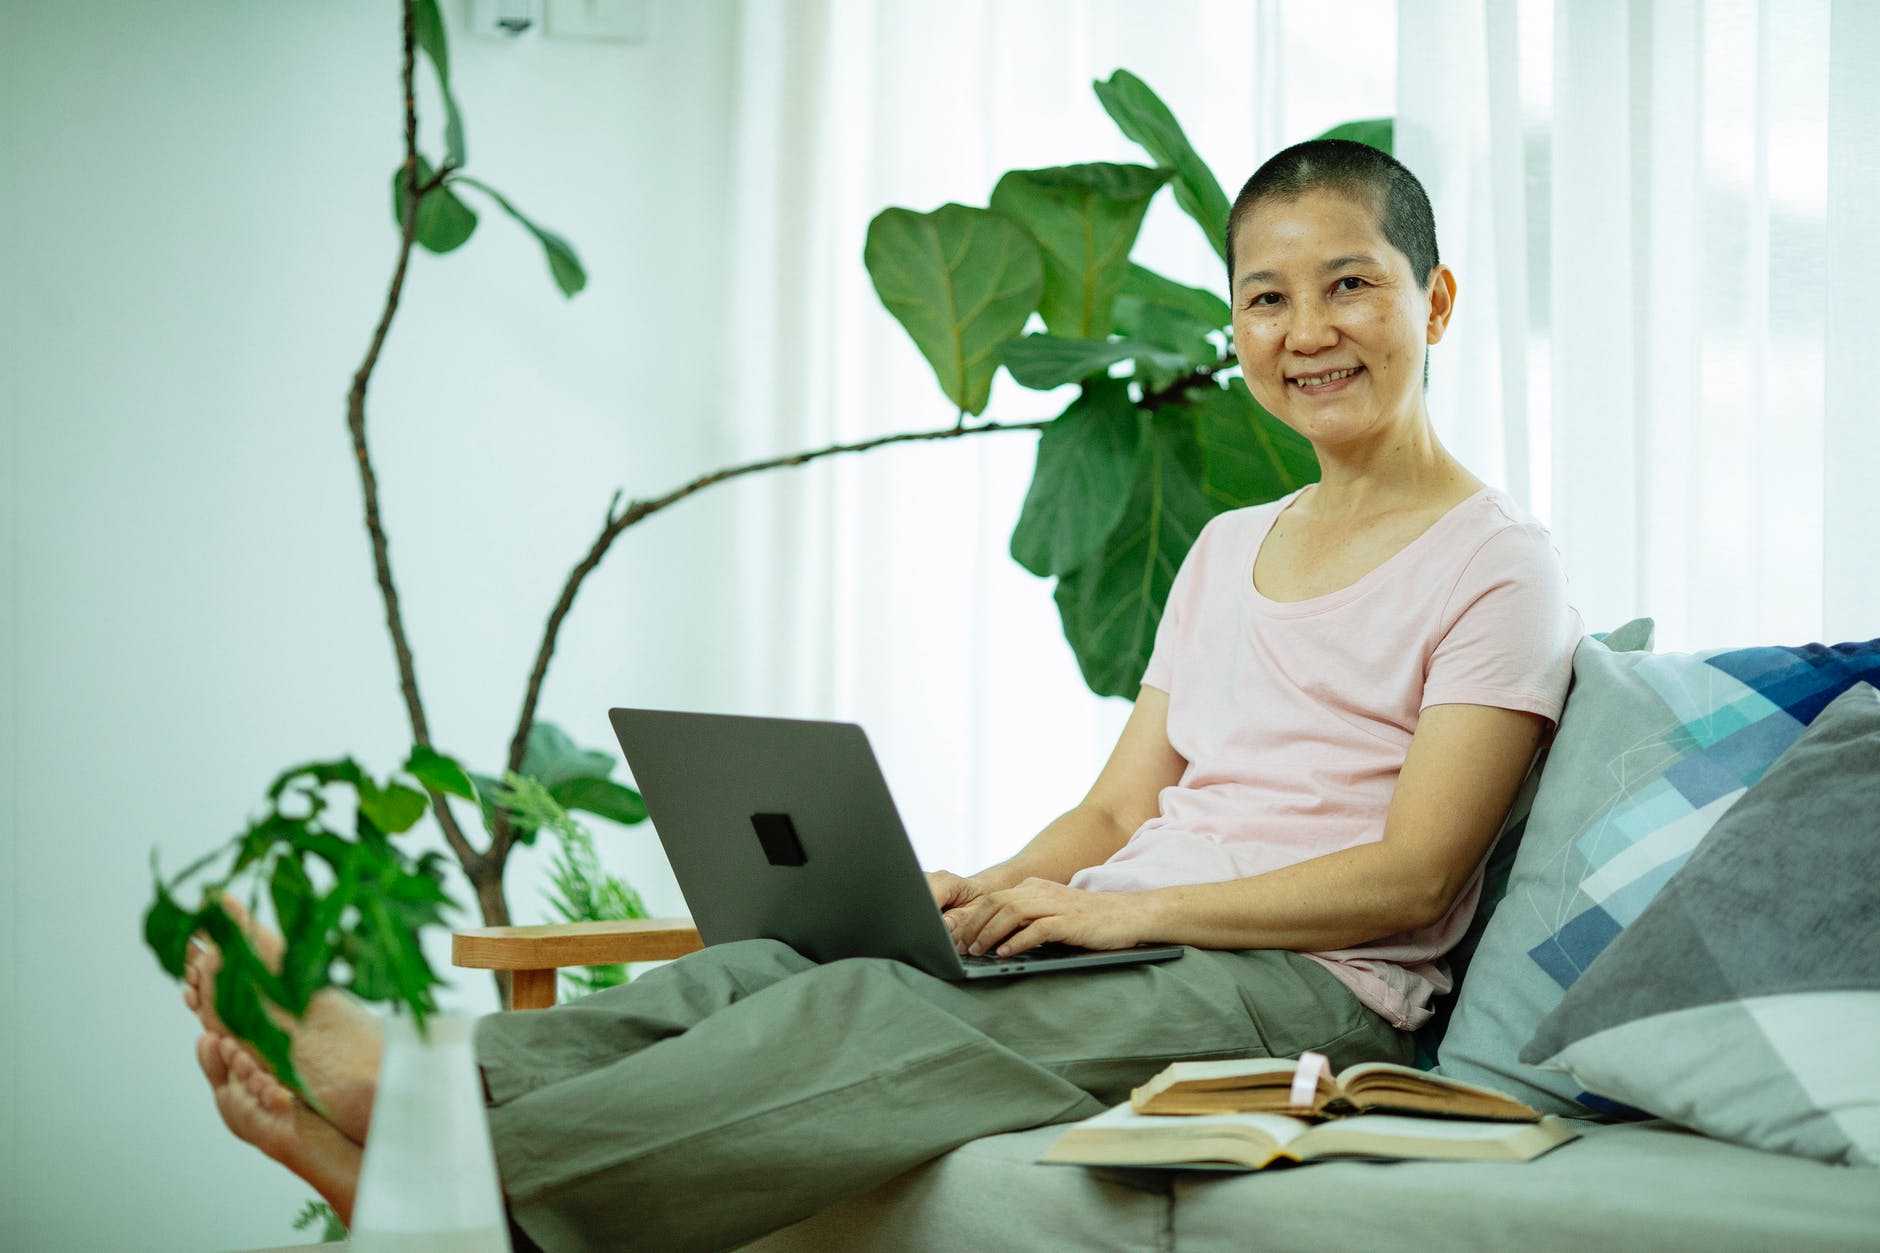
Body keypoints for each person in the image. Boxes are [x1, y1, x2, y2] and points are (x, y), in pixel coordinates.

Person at [183, 138, 1580, 1251]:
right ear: (1237, 325)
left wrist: (1121, 911)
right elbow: (1115, 806)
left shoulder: (1496, 564)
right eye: (1268, 298)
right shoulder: (1226, 548)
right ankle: (427, 1113)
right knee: (770, 969)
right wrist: (988, 894)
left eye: (1351, 284)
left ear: (1434, 301)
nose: (1308, 329)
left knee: (876, 1021)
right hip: (1146, 942)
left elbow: (1413, 873)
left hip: (1316, 996)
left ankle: (432, 1161)